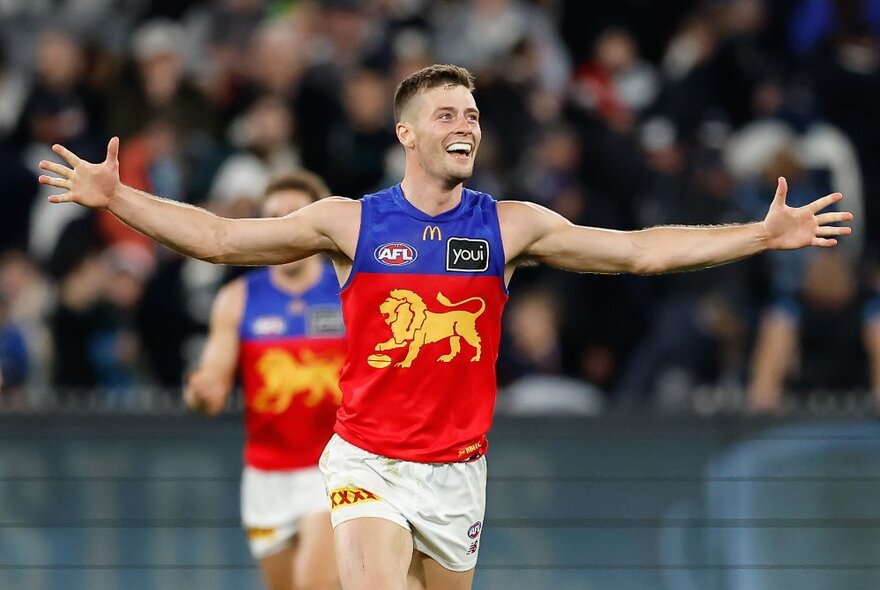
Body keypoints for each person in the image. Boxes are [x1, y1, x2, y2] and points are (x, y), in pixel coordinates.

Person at [38, 64, 852, 590]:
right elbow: (219, 240)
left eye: (471, 113)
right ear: (407, 134)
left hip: (459, 472)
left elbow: (638, 253)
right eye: (447, 114)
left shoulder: (512, 226)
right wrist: (118, 199)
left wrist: (757, 234)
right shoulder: (350, 223)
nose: (467, 124)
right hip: (368, 461)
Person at [183, 171, 343, 590]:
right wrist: (201, 394)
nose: (283, 228)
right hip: (266, 476)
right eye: (273, 217)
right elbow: (212, 385)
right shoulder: (237, 298)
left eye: (294, 216)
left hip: (333, 469)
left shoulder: (349, 292)